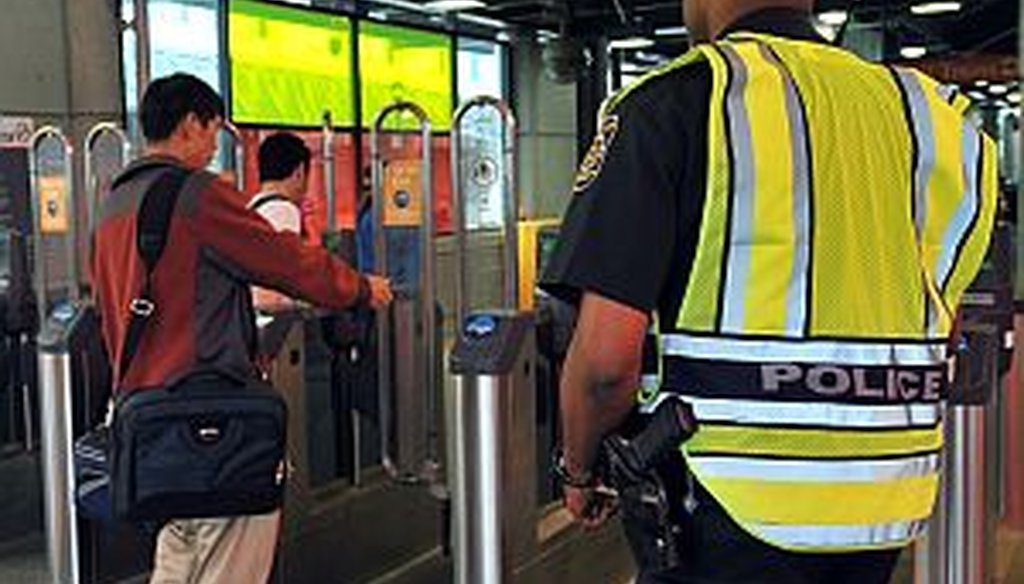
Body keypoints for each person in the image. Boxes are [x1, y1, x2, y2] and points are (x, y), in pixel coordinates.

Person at [540, 1, 999, 582]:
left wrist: (579, 472)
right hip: (885, 505)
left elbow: (606, 364)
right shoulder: (936, 123)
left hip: (721, 507)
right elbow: (940, 318)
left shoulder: (679, 100)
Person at [91, 73, 392, 584]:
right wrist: (360, 288)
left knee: (177, 554)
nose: (213, 146)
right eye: (211, 131)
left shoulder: (113, 204)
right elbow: (286, 261)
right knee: (231, 562)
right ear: (189, 125)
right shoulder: (198, 195)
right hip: (213, 423)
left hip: (146, 424)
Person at [249, 132, 311, 310]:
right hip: (273, 320)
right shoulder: (284, 210)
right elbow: (278, 283)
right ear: (299, 172)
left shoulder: (253, 205)